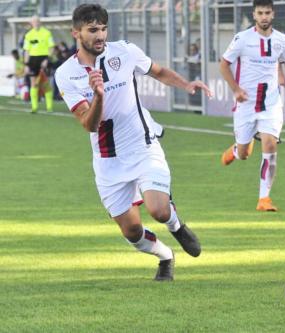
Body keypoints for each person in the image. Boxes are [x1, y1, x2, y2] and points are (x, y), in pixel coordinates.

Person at [55, 4, 211, 281]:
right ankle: (165, 256)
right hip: (107, 161)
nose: (100, 35)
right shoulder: (66, 73)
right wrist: (99, 95)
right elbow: (88, 124)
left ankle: (176, 225)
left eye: (103, 28)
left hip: (143, 145)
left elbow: (158, 71)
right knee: (132, 232)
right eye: (93, 30)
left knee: (159, 210)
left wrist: (187, 85)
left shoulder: (125, 51)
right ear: (76, 33)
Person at [219, 0, 285, 212]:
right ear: (254, 15)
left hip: (271, 103)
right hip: (246, 104)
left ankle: (264, 199)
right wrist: (236, 89)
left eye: (267, 13)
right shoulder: (242, 39)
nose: (264, 16)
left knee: (270, 145)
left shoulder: (281, 40)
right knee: (245, 153)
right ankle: (237, 151)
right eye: (260, 13)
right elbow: (224, 64)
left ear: (273, 14)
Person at [23, 15, 55, 113]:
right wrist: (26, 65)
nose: (36, 23)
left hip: (44, 58)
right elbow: (27, 51)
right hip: (33, 60)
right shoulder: (28, 35)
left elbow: (51, 48)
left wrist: (47, 59)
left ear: (40, 22)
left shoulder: (47, 33)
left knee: (46, 84)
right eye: (34, 21)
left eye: (37, 21)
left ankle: (49, 107)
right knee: (34, 83)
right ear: (31, 23)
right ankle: (34, 107)